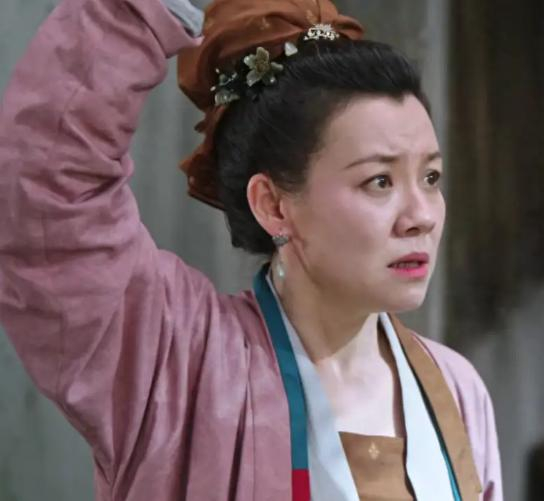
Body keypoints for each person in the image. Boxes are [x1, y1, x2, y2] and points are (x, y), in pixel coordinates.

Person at [0, 0, 502, 499]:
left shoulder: (456, 389)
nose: (422, 216)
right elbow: (46, 193)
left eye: (430, 177)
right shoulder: (178, 364)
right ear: (274, 206)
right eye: (379, 181)